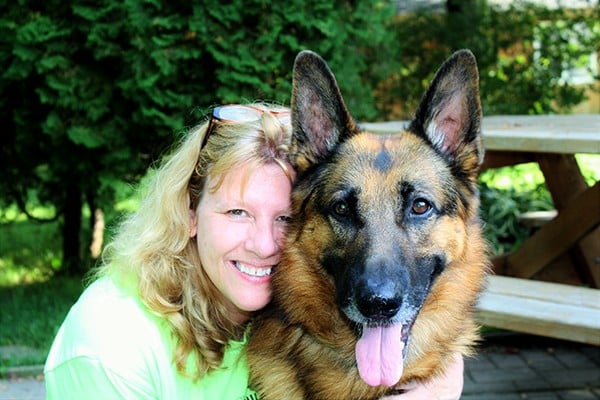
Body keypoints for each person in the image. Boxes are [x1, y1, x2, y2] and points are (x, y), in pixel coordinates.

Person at [44, 103, 464, 399]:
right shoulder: (107, 351)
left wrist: (440, 379)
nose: (264, 245)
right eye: (237, 212)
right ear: (189, 212)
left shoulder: (284, 315)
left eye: (283, 218)